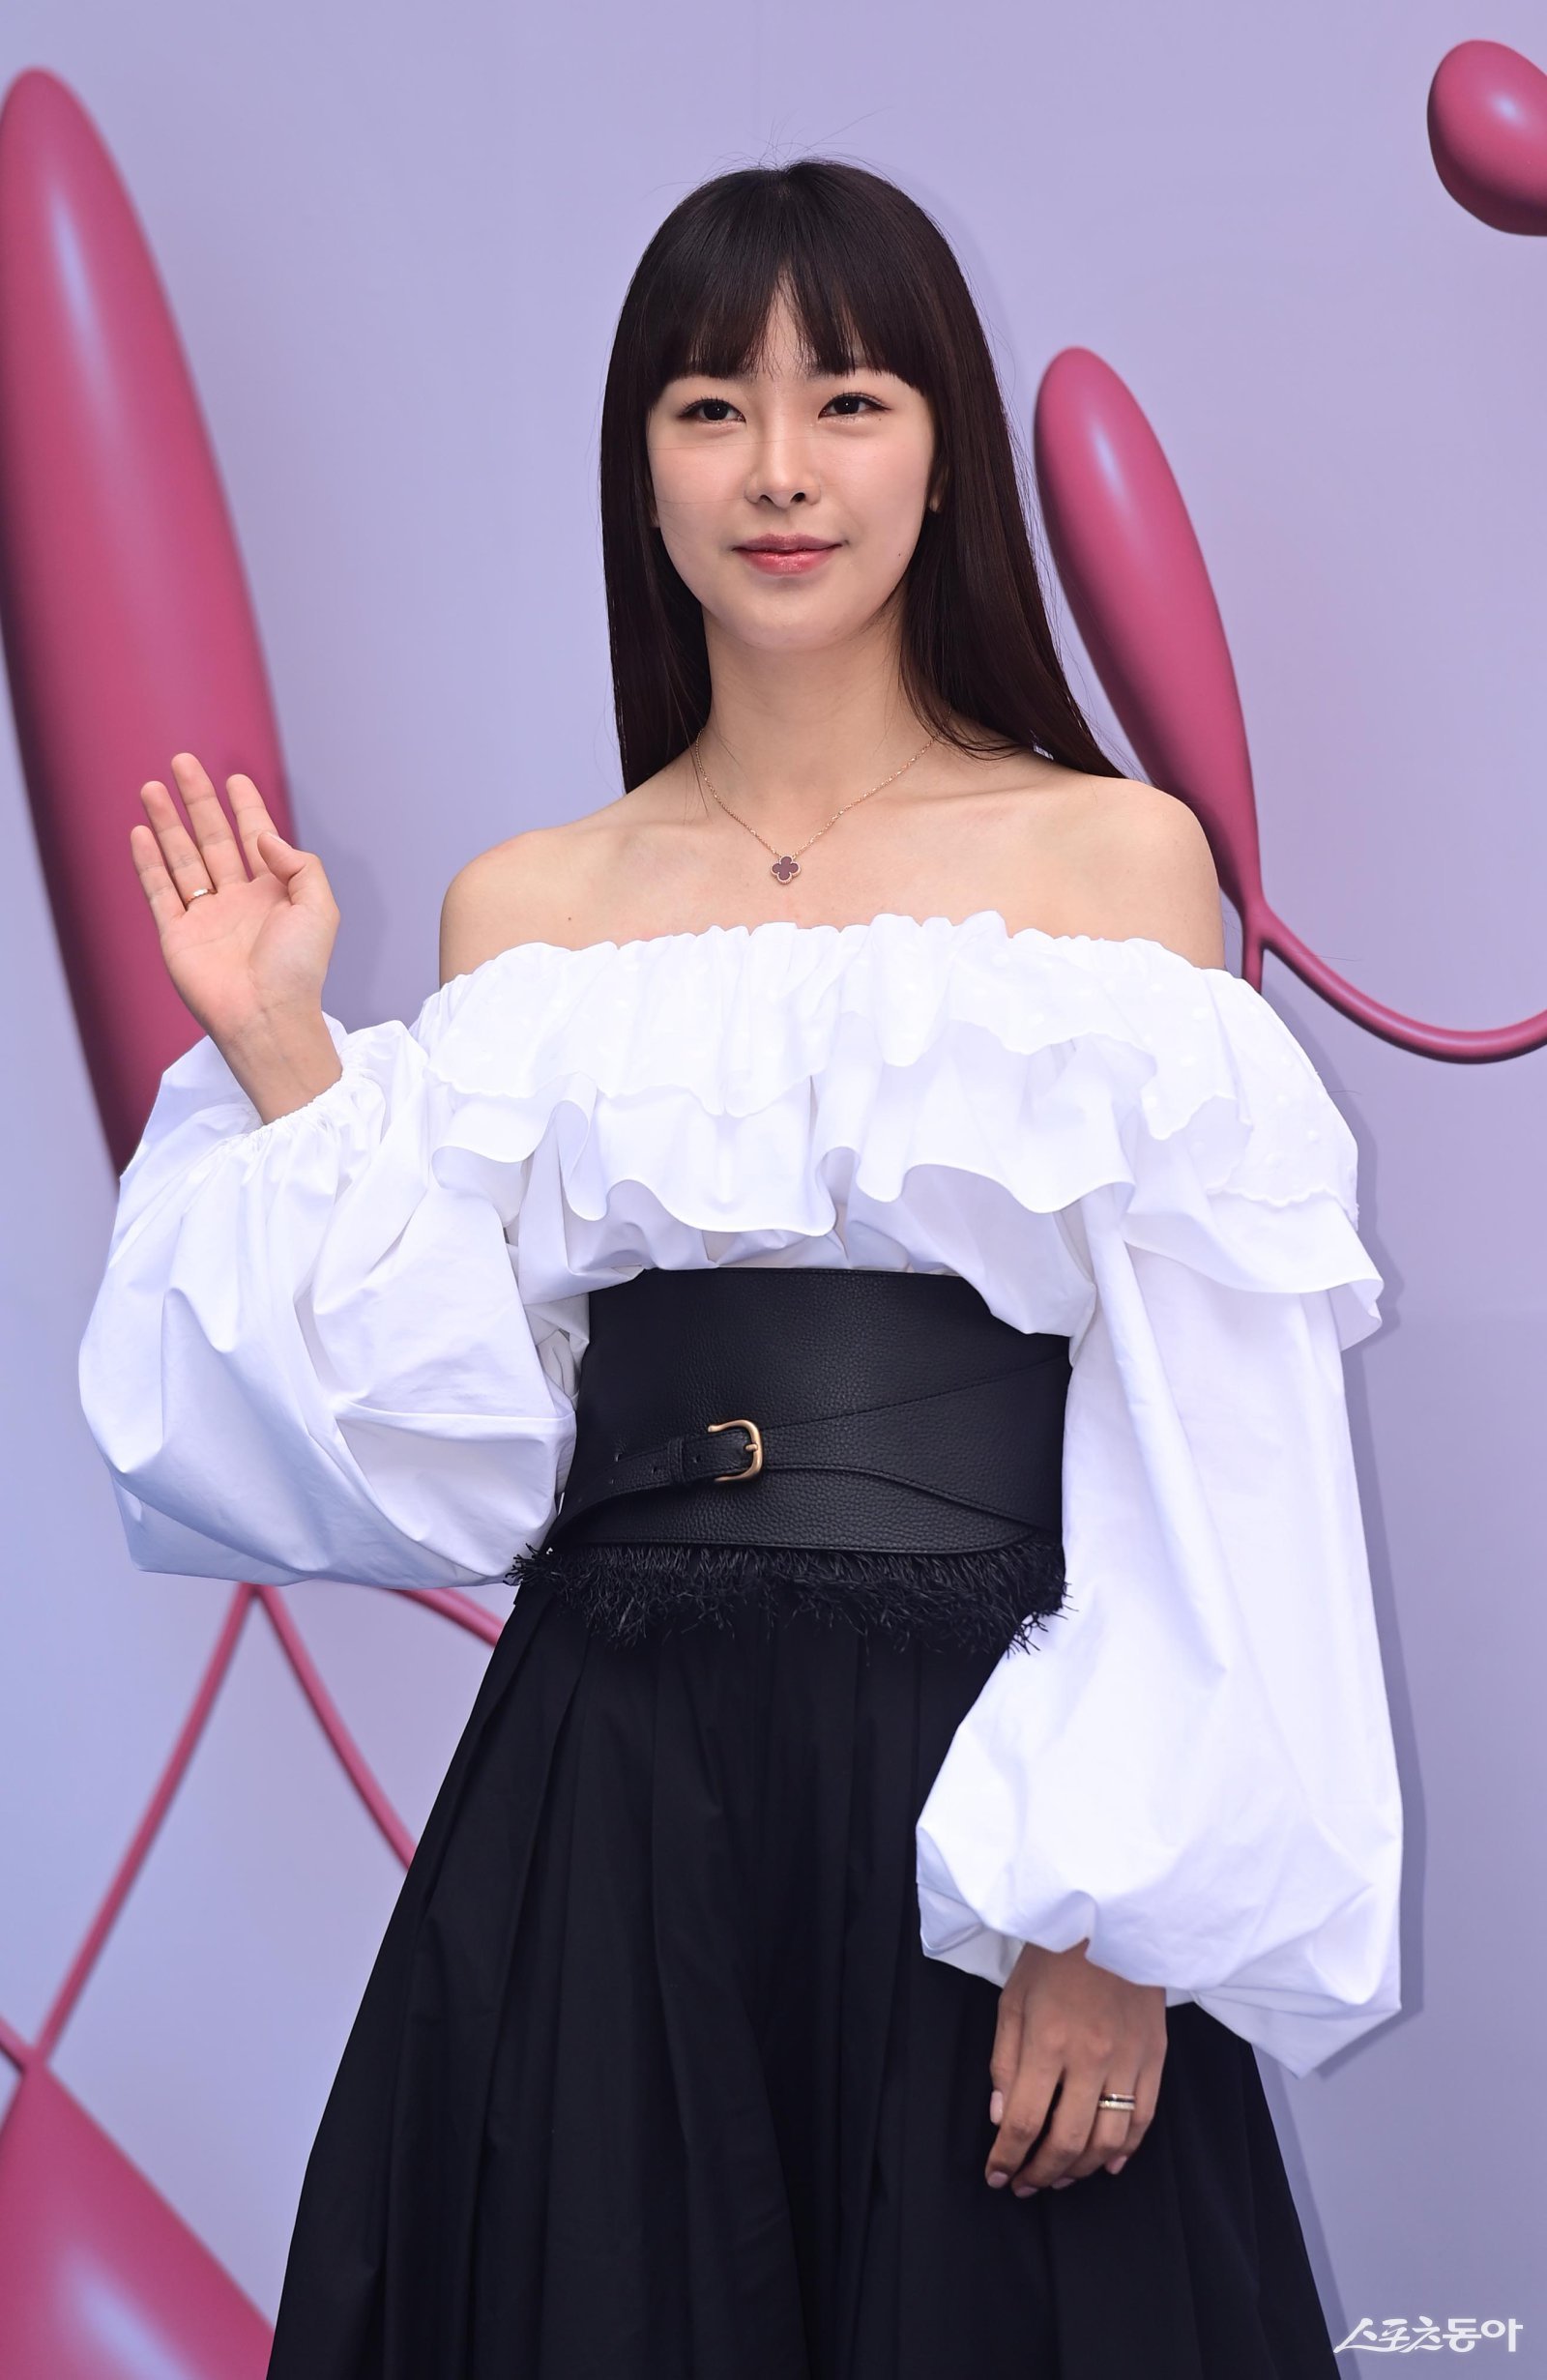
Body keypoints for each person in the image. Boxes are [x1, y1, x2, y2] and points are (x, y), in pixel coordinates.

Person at [78, 158, 1403, 2378]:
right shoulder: (525, 908)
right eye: (710, 408)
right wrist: (292, 1056)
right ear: (642, 470)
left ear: (939, 455)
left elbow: (1213, 1424)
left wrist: (1111, 1907)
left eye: (846, 400)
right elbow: (462, 1455)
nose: (779, 470)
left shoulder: (1109, 862)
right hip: (607, 1777)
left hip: (979, 1784)